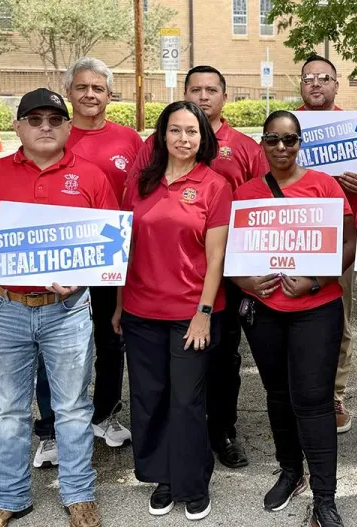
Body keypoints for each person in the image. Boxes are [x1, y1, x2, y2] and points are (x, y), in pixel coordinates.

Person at [0, 88, 115, 527]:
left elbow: (112, 245)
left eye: (54, 119)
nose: (45, 127)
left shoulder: (93, 177)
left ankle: (80, 495)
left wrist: (82, 277)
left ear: (67, 127)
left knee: (74, 408)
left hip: (68, 311)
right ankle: (7, 498)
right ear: (18, 126)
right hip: (6, 308)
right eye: (35, 119)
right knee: (8, 410)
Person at [129, 64, 268, 469]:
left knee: (223, 360)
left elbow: (267, 200)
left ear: (225, 96)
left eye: (211, 90)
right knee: (169, 372)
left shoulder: (243, 146)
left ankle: (222, 431)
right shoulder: (158, 146)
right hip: (171, 274)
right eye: (195, 89)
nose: (203, 96)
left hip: (231, 268)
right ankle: (174, 445)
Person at [232, 110, 355, 527]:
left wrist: (317, 280)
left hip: (315, 309)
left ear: (300, 143)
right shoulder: (247, 192)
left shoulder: (323, 186)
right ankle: (290, 470)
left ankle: (325, 495)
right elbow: (230, 255)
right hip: (265, 310)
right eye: (272, 140)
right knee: (277, 394)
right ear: (262, 144)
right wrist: (247, 281)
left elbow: (350, 241)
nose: (282, 148)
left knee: (313, 400)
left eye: (290, 140)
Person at [115, 101, 231, 521]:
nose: (184, 139)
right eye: (176, 130)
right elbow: (123, 250)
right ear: (162, 136)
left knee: (186, 399)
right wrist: (119, 305)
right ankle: (162, 477)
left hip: (190, 312)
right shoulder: (140, 183)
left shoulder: (215, 185)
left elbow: (216, 257)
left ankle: (192, 482)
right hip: (141, 311)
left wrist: (203, 311)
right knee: (150, 398)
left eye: (193, 131)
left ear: (204, 137)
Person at [30, 58, 143, 467]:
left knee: (111, 337)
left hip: (111, 255)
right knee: (52, 345)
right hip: (60, 258)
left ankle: (104, 414)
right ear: (69, 92)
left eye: (98, 88)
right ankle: (50, 429)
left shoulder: (131, 140)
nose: (90, 94)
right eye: (82, 87)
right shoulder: (53, 134)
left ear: (110, 95)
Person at [297, 54, 357, 434]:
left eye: (325, 77)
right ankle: (300, 391)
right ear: (301, 85)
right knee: (291, 310)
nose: (317, 83)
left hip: (342, 235)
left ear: (336, 85)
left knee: (338, 315)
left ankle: (335, 393)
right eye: (309, 78)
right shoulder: (288, 127)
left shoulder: (354, 128)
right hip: (296, 232)